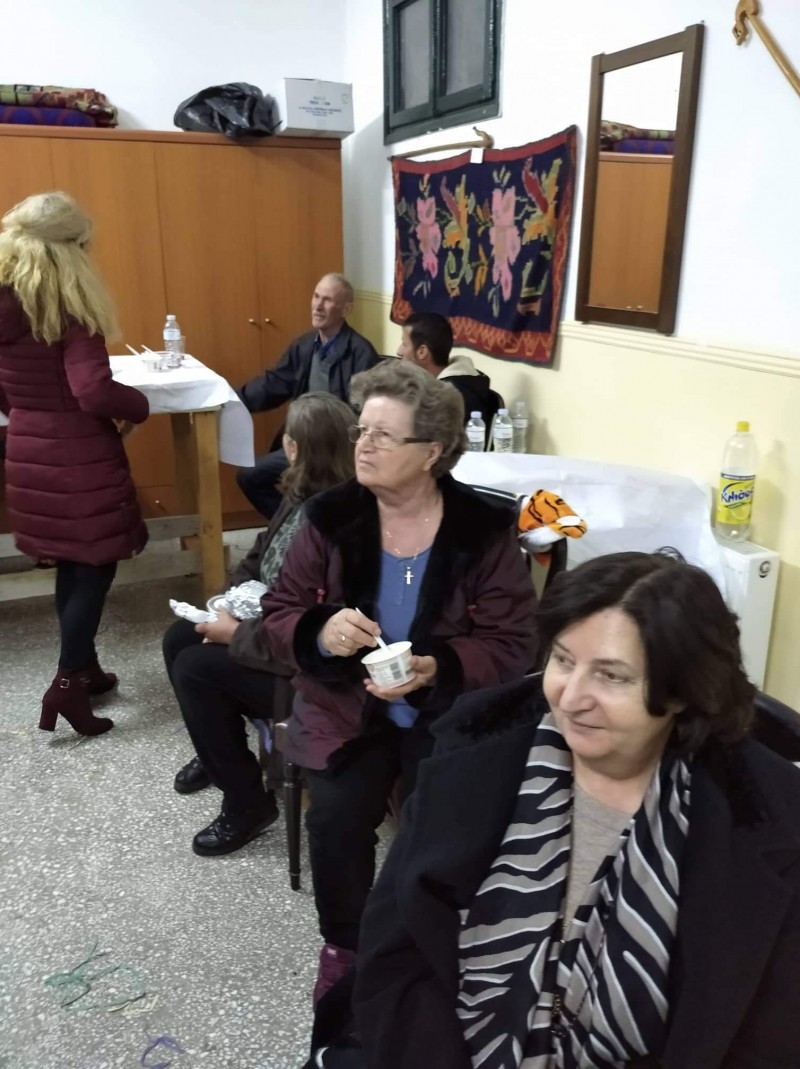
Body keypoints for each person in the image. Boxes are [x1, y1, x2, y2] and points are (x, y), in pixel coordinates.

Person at [318, 551, 800, 1069]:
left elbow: (767, 1033)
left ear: (685, 690)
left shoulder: (766, 821)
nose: (570, 698)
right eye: (564, 661)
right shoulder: (470, 766)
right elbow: (396, 955)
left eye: (611, 676)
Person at [260, 360, 538, 1003]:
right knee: (335, 821)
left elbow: (512, 643)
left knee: (442, 827)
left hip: (447, 715)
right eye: (362, 430)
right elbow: (279, 614)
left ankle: (425, 949)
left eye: (384, 435)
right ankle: (345, 949)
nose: (364, 445)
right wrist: (320, 632)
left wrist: (440, 666)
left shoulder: (482, 528)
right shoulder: (330, 517)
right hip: (345, 709)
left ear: (431, 452)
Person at [162, 392, 355, 856]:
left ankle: (247, 803)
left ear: (295, 447)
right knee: (178, 638)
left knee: (195, 669)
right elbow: (258, 556)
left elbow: (313, 632)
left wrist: (235, 633)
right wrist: (229, 601)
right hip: (266, 625)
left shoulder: (340, 525)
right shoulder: (299, 493)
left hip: (302, 668)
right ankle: (218, 754)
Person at [0, 192, 149, 737]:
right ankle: (66, 684)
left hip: (28, 451)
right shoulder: (68, 309)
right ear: (68, 250)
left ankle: (84, 667)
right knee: (95, 565)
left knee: (71, 562)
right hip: (77, 459)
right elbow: (93, 391)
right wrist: (139, 405)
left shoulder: (5, 304)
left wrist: (29, 414)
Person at [236, 273, 379, 519]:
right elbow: (274, 383)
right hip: (302, 443)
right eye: (316, 297)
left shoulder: (361, 353)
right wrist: (234, 400)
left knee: (314, 489)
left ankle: (308, 528)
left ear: (346, 309)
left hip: (339, 449)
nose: (318, 306)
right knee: (250, 477)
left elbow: (366, 413)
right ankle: (296, 527)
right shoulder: (303, 346)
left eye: (327, 300)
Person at [396, 312, 501, 442]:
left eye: (404, 344)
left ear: (422, 352)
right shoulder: (431, 385)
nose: (399, 351)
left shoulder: (451, 399)